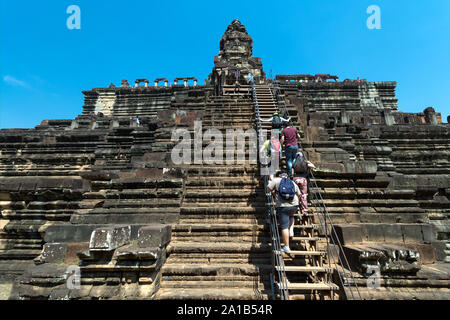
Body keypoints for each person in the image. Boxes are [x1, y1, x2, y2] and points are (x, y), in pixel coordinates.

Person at [267, 170, 302, 253]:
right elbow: (299, 194)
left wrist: (274, 192)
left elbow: (268, 189)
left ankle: (286, 246)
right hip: (294, 205)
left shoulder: (276, 180)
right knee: (291, 215)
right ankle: (291, 230)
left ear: (279, 176)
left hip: (283, 206)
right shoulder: (292, 182)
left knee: (284, 227)